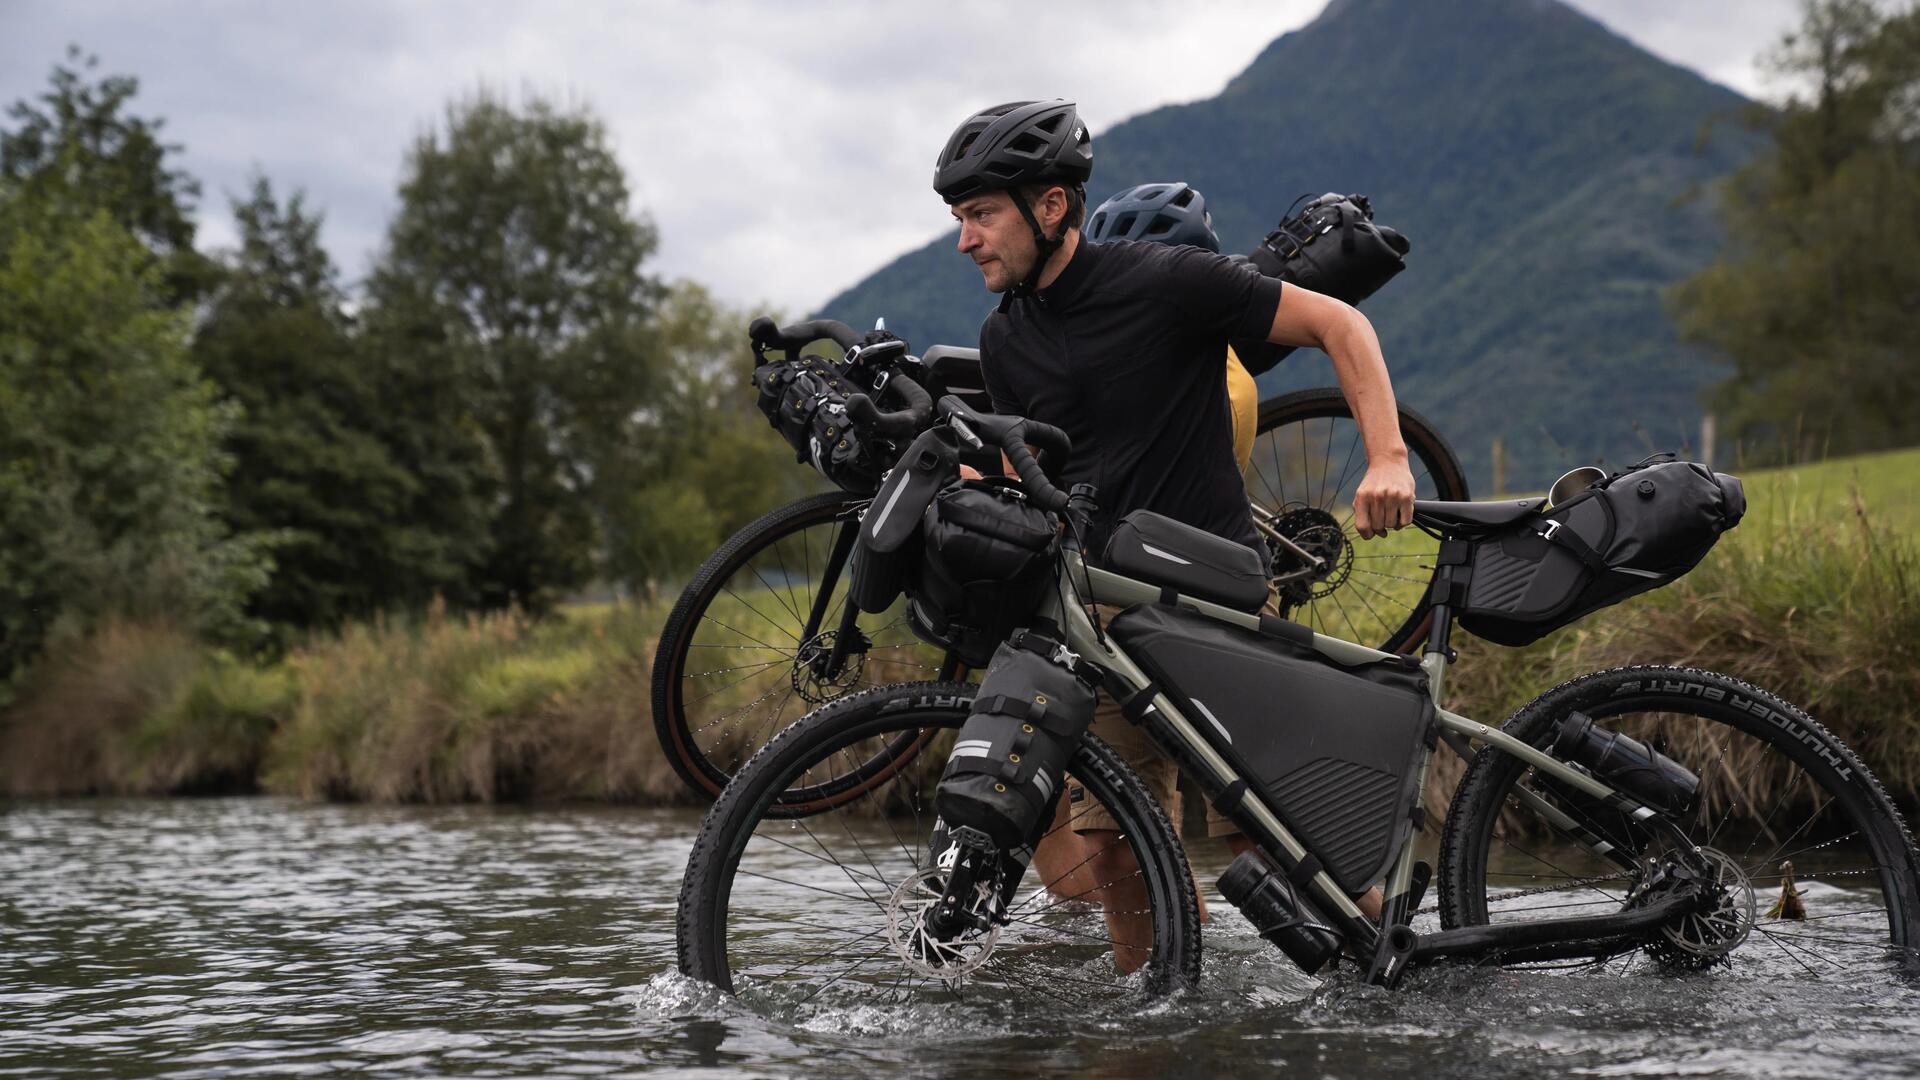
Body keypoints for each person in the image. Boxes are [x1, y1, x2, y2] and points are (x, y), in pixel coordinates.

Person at [936, 99, 1416, 970]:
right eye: (959, 218)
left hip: (1215, 599)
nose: (965, 239)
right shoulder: (1003, 338)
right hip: (1105, 615)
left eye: (980, 215)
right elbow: (1032, 470)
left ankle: (1407, 976)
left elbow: (1340, 324)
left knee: (1273, 844)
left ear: (1050, 208)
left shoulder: (1165, 280)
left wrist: (1386, 457)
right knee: (1117, 846)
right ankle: (1158, 1026)